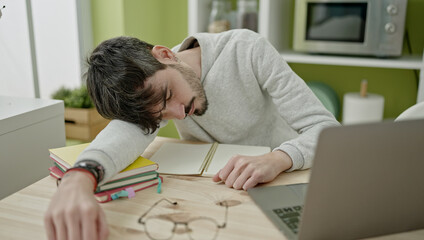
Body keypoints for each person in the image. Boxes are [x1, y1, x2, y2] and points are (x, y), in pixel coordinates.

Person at [44, 29, 339, 240]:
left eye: (171, 94)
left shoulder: (246, 49)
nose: (179, 113)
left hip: (288, 182)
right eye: (161, 115)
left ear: (165, 54)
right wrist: (79, 178)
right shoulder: (150, 91)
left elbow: (327, 131)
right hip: (222, 198)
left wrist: (279, 157)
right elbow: (121, 136)